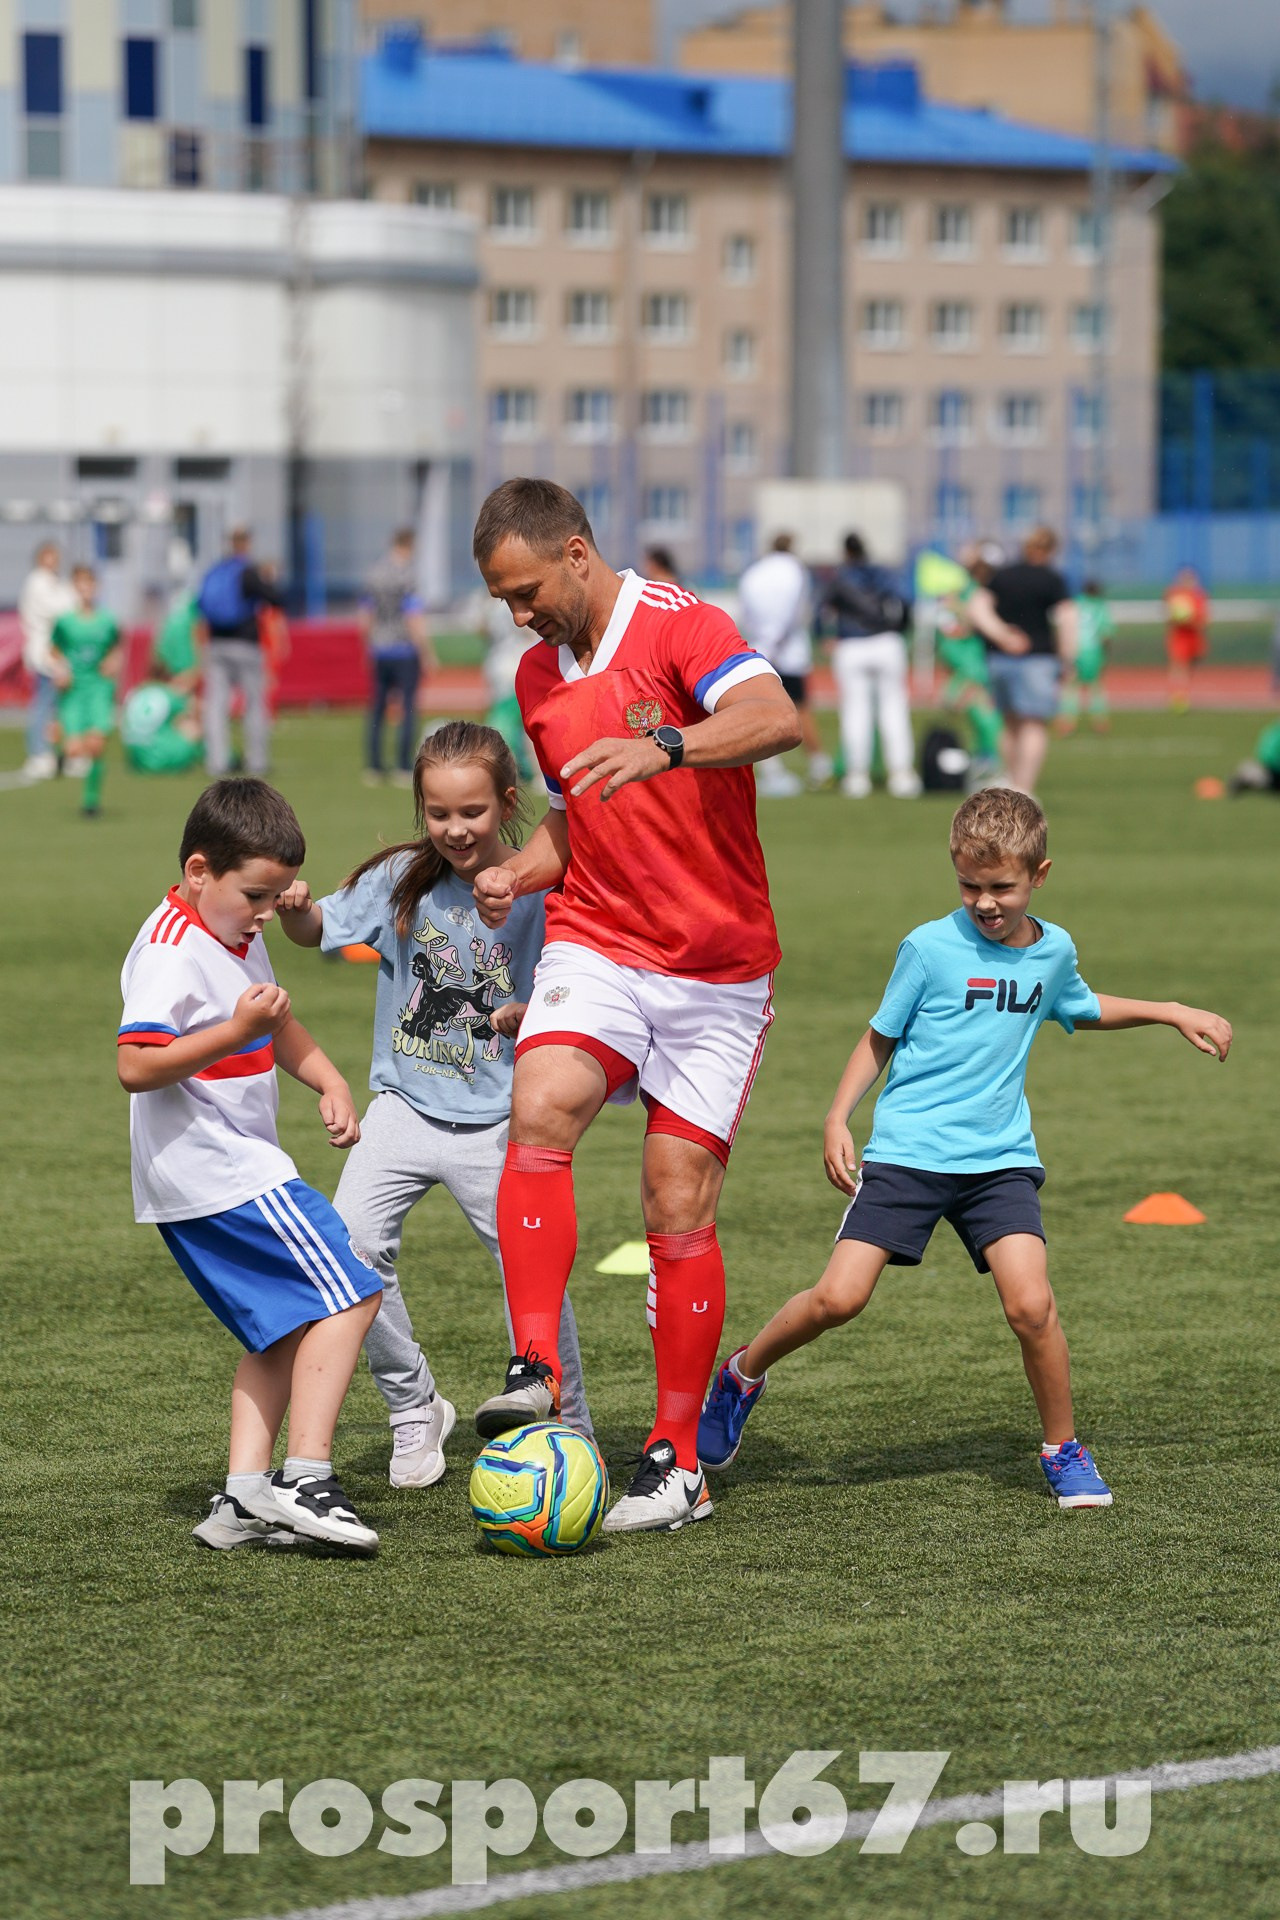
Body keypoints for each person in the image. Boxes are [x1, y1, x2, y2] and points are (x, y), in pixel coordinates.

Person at [699, 787, 1232, 1509]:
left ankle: (1064, 1448)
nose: (985, 902)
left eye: (1002, 887)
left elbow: (1082, 1006)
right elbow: (879, 1035)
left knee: (1032, 1307)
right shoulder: (928, 947)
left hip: (998, 1161)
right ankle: (742, 1374)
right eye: (970, 885)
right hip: (909, 1153)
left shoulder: (1054, 951)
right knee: (838, 1298)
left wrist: (1171, 1011)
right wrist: (836, 1115)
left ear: (1040, 875)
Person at [467, 477, 800, 1534]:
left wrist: (666, 743)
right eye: (501, 600)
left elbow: (775, 716)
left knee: (674, 1203)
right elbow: (573, 820)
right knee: (543, 1102)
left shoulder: (680, 626)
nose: (519, 617)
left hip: (716, 969)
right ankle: (534, 1366)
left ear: (575, 552)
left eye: (525, 591)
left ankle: (675, 1460)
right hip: (600, 939)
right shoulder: (534, 675)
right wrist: (519, 872)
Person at [276, 721, 593, 1488]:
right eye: (439, 813)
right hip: (404, 1108)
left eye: (473, 813)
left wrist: (529, 1013)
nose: (455, 829)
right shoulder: (398, 880)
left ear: (508, 804)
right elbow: (320, 926)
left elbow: (572, 990)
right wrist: (293, 910)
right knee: (346, 1255)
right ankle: (415, 1406)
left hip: (499, 1124)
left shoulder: (540, 889)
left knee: (533, 1278)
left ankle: (571, 1425)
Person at [116, 779, 384, 1553]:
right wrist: (236, 1030)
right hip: (217, 1170)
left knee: (283, 1327)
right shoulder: (172, 949)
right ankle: (307, 1475)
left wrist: (329, 1078)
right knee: (353, 1288)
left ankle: (243, 1499)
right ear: (199, 870)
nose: (268, 912)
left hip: (216, 1172)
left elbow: (275, 1018)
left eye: (273, 897)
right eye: (256, 895)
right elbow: (136, 1065)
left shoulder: (234, 925)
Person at [969, 525, 1077, 795]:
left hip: (1000, 659)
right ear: (1050, 550)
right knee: (1033, 723)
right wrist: (1067, 659)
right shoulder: (1052, 579)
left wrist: (1003, 635)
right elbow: (1068, 618)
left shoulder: (1002, 576)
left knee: (1009, 723)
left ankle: (1012, 780)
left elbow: (976, 607)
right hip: (1037, 659)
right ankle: (1024, 789)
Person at [817, 531, 920, 799]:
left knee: (855, 711)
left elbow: (821, 610)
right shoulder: (882, 573)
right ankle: (902, 775)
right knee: (894, 709)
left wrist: (823, 636)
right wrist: (900, 629)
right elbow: (906, 601)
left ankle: (857, 777)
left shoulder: (840, 576)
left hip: (852, 645)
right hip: (887, 642)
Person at [737, 533, 833, 793]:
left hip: (760, 649)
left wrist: (764, 641)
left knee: (760, 710)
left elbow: (745, 611)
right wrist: (777, 639)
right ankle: (819, 763)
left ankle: (772, 770)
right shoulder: (795, 570)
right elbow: (796, 610)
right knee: (800, 708)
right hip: (789, 651)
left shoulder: (754, 572)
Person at [197, 528, 286, 776]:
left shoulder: (215, 571)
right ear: (246, 544)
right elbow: (276, 598)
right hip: (246, 644)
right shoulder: (248, 571)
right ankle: (256, 761)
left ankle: (217, 761)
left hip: (216, 645)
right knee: (254, 704)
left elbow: (199, 605)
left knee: (216, 705)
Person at [361, 527, 437, 786]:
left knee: (378, 707)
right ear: (410, 545)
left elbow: (366, 614)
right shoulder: (407, 575)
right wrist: (426, 652)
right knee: (408, 708)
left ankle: (373, 765)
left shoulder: (375, 573)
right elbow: (413, 616)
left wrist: (368, 644)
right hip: (404, 648)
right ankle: (403, 765)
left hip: (380, 647)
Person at [48, 564, 122, 818]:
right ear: (74, 588)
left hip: (99, 689)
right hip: (74, 690)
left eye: (89, 584)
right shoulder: (66, 622)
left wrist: (113, 661)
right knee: (74, 750)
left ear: (96, 587)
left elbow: (116, 648)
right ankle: (60, 751)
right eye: (80, 584)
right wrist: (60, 670)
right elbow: (53, 650)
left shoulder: (107, 620)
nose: (85, 590)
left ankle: (91, 802)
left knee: (96, 745)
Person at [936, 542, 1004, 780]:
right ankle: (985, 757)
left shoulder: (982, 592)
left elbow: (975, 622)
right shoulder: (964, 589)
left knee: (980, 710)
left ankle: (993, 759)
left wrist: (961, 612)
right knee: (974, 711)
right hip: (963, 659)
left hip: (973, 661)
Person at [18, 540, 75, 780]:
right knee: (44, 703)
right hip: (45, 653)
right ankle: (38, 752)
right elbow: (60, 610)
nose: (55, 560)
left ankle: (60, 751)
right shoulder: (38, 581)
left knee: (59, 707)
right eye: (50, 556)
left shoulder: (56, 582)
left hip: (59, 654)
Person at [120, 662, 203, 776]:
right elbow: (195, 710)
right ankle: (207, 758)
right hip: (160, 758)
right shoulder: (170, 695)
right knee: (192, 726)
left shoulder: (138, 691)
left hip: (136, 758)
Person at [1056, 577, 1115, 736]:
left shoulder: (1073, 604)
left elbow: (1062, 625)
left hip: (1073, 648)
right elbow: (1105, 633)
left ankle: (1067, 721)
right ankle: (1100, 721)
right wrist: (1107, 653)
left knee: (1070, 687)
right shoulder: (1100, 606)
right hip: (1093, 651)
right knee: (1095, 687)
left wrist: (1061, 650)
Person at [1164, 566, 1209, 714]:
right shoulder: (1174, 594)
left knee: (1191, 667)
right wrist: (1178, 618)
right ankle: (1178, 698)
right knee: (1179, 667)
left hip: (1194, 637)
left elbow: (1203, 620)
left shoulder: (1199, 595)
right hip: (1179, 637)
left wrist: (1192, 621)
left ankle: (1183, 694)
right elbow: (1168, 616)